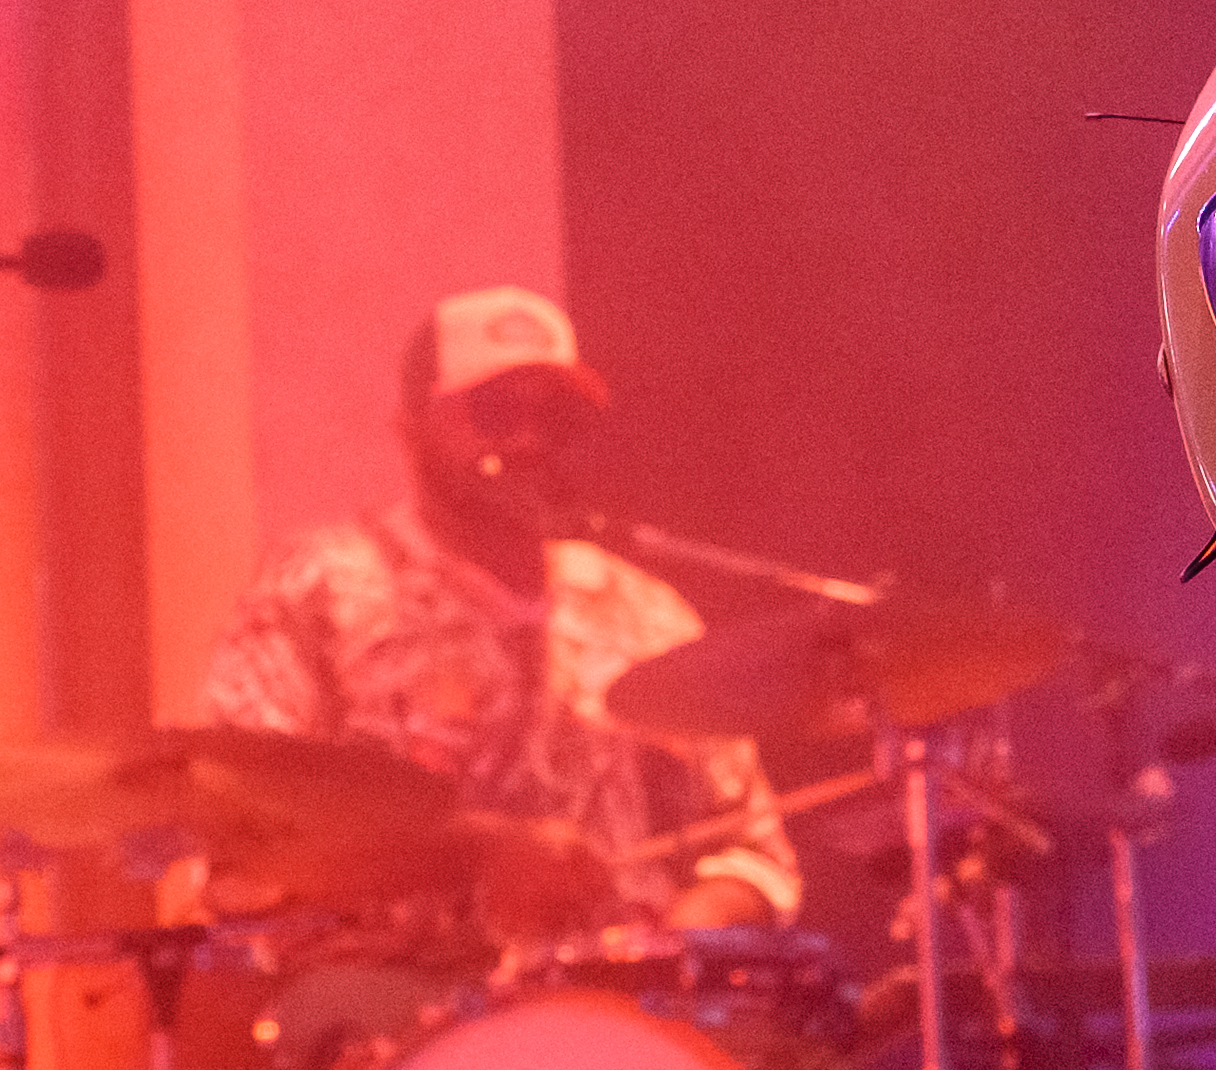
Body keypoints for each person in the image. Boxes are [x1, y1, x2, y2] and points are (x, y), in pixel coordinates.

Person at [193, 289, 802, 961]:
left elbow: (754, 855)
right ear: (412, 426)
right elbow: (243, 839)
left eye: (559, 418)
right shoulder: (317, 587)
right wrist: (472, 850)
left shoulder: (645, 612)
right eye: (495, 411)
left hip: (620, 1019)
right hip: (390, 1021)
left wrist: (685, 930)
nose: (529, 439)